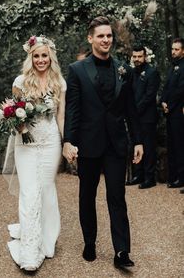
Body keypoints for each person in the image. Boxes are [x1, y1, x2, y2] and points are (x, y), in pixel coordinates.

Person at [63, 16, 143, 269]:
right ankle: (89, 242)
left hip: (117, 144)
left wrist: (138, 140)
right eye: (101, 36)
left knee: (116, 197)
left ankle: (122, 252)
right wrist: (68, 141)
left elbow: (131, 108)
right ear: (91, 38)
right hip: (88, 143)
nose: (106, 40)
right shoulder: (77, 70)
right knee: (87, 196)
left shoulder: (124, 70)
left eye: (109, 36)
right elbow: (73, 109)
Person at [4, 35, 66, 272]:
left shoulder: (59, 82)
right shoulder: (20, 81)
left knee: (47, 189)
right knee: (30, 192)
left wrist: (64, 140)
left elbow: (60, 116)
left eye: (44, 56)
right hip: (26, 144)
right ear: (31, 58)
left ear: (51, 57)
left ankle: (47, 240)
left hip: (51, 142)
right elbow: (13, 113)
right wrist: (20, 127)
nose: (41, 60)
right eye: (36, 56)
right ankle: (30, 250)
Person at [126, 45, 160, 189]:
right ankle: (138, 175)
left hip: (147, 117)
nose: (137, 59)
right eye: (134, 57)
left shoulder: (152, 73)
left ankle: (149, 178)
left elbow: (149, 96)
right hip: (134, 118)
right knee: (135, 144)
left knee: (148, 146)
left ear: (145, 57)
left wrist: (134, 111)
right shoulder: (131, 72)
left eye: (140, 56)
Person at [161, 37, 184, 188]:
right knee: (172, 144)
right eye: (172, 49)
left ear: (183, 50)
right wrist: (163, 101)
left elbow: (181, 89)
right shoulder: (172, 66)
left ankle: (182, 178)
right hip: (170, 111)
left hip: (179, 111)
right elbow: (167, 86)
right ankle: (174, 176)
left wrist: (170, 104)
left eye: (176, 49)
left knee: (180, 145)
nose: (173, 52)